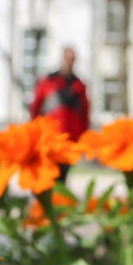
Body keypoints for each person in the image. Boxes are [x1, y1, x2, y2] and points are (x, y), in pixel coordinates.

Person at [30, 46, 90, 180]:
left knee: (63, 176)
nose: (69, 62)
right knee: (48, 174)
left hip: (69, 139)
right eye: (67, 59)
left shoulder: (79, 85)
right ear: (62, 59)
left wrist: (82, 138)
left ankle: (59, 199)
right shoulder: (48, 82)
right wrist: (36, 132)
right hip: (50, 137)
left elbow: (85, 113)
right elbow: (35, 107)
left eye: (72, 60)